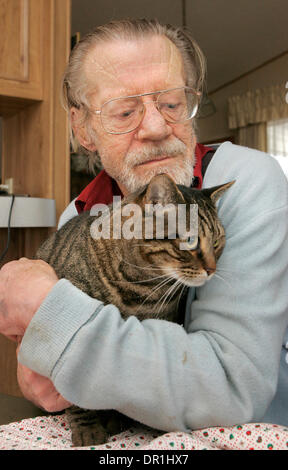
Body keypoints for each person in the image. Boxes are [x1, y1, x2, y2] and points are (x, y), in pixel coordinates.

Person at [0, 18, 288, 432]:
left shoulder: (248, 181)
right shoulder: (79, 216)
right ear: (83, 129)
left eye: (171, 104)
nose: (155, 128)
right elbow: (53, 370)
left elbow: (229, 390)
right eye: (125, 111)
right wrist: (38, 367)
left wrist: (55, 322)